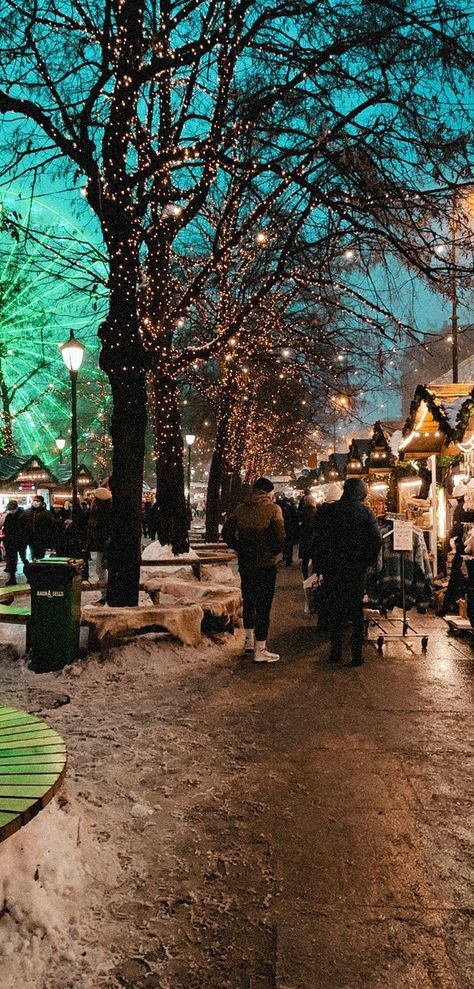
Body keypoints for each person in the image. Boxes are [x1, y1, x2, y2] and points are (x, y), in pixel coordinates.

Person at [314, 477, 381, 667]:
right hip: (355, 568)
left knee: (335, 609)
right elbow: (376, 540)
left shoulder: (329, 511)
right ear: (360, 492)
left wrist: (321, 564)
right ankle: (356, 655)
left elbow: (319, 538)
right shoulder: (365, 511)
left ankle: (335, 652)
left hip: (333, 567)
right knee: (355, 610)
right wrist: (367, 561)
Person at [225, 477, 285, 663]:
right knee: (264, 605)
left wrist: (239, 547)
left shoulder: (240, 509)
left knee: (249, 601)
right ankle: (261, 649)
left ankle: (249, 643)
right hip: (266, 565)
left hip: (246, 564)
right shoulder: (273, 509)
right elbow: (281, 537)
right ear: (268, 492)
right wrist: (272, 552)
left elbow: (226, 532)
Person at [87, 487, 112, 603]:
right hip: (104, 544)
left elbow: (101, 530)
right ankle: (106, 594)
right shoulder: (101, 511)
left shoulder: (102, 513)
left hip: (105, 545)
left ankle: (106, 595)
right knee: (101, 569)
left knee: (101, 569)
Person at [2, 500, 27, 585]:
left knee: (24, 559)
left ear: (16, 508)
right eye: (10, 509)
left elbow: (24, 529)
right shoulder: (8, 515)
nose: (11, 510)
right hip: (10, 542)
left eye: (12, 509)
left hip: (20, 541)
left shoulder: (22, 515)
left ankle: (30, 577)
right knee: (11, 561)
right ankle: (12, 579)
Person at [23, 495, 53, 561]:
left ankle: (39, 569)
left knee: (40, 556)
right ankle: (35, 568)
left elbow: (50, 527)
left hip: (42, 539)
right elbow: (22, 524)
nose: (35, 502)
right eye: (34, 500)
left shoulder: (46, 513)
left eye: (38, 501)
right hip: (31, 539)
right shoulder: (27, 512)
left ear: (42, 502)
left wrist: (49, 540)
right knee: (33, 555)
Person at [297, 487, 318, 579]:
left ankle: (306, 578)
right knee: (315, 561)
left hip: (305, 540)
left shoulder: (302, 512)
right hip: (314, 540)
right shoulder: (317, 512)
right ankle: (313, 578)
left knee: (305, 561)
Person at [276, 495, 299, 566]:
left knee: (285, 543)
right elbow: (295, 518)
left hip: (284, 527)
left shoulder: (279, 508)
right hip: (290, 528)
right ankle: (289, 559)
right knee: (289, 544)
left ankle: (285, 556)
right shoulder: (290, 508)